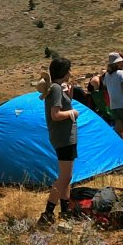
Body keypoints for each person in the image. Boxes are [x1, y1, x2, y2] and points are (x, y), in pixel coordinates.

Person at [39, 57, 79, 226]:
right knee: (64, 176)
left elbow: (61, 107)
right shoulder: (55, 89)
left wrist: (68, 96)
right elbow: (55, 115)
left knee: (67, 177)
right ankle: (47, 214)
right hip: (63, 138)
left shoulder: (57, 89)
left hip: (66, 137)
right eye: (68, 70)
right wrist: (72, 113)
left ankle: (65, 211)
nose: (71, 73)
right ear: (63, 72)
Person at [103, 52, 123, 145]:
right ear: (117, 63)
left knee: (119, 126)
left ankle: (120, 146)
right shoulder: (121, 73)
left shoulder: (107, 75)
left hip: (114, 105)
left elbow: (106, 85)